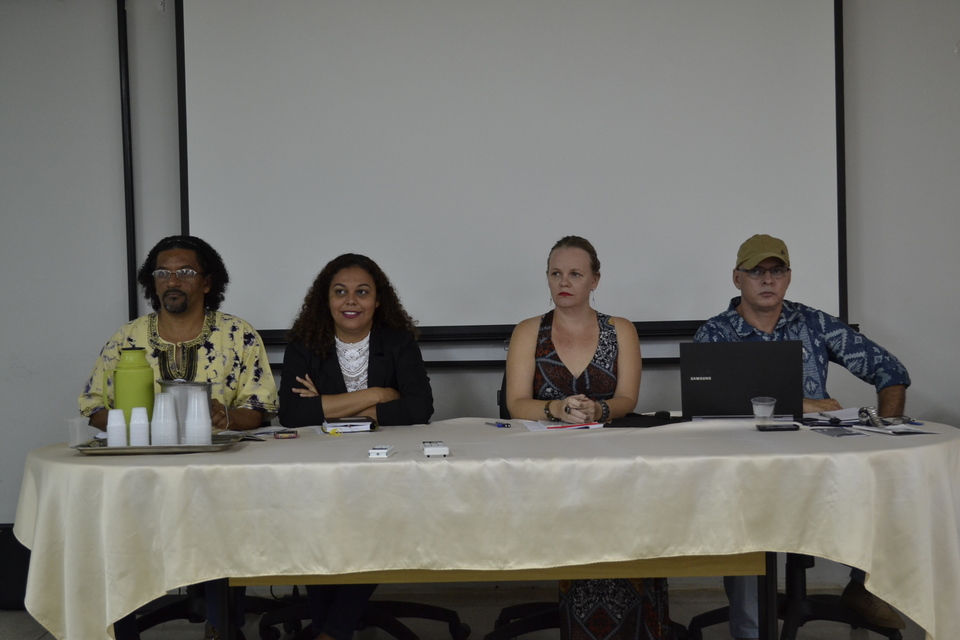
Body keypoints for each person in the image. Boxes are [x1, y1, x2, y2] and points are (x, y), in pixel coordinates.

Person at [694, 233, 911, 639]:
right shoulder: (715, 333)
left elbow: (891, 371)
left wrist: (888, 430)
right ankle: (750, 630)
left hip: (817, 465)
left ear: (789, 277)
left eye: (776, 271)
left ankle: (863, 586)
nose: (767, 280)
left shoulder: (813, 323)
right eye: (757, 271)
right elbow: (708, 407)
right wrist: (801, 404)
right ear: (737, 278)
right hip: (748, 468)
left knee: (888, 473)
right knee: (745, 519)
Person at [78, 235, 279, 640]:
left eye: (185, 272)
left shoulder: (237, 334)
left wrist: (227, 417)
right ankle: (125, 621)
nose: (173, 280)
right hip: (143, 477)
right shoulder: (127, 338)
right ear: (152, 283)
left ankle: (223, 622)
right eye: (163, 272)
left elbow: (259, 409)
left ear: (207, 282)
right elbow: (93, 405)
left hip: (223, 477)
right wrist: (134, 424)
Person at [505, 236, 674, 640]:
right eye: (556, 273)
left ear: (595, 280)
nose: (564, 281)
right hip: (549, 467)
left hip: (615, 462)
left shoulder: (621, 329)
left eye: (575, 274)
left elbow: (628, 398)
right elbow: (516, 404)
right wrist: (556, 409)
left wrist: (601, 410)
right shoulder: (529, 330)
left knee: (630, 537)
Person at [279, 253, 433, 640]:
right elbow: (294, 414)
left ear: (377, 300)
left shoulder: (397, 343)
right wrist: (379, 394)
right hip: (320, 466)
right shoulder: (304, 345)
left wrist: (328, 406)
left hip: (384, 466)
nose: (351, 301)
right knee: (317, 522)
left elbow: (419, 408)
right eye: (340, 292)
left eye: (362, 292)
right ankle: (331, 629)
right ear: (325, 300)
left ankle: (330, 632)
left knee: (373, 521)